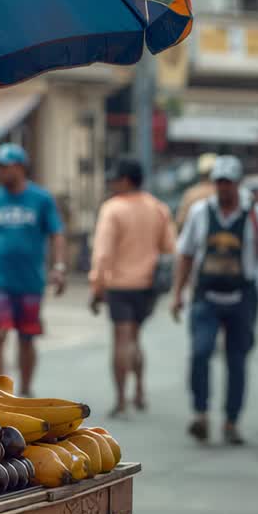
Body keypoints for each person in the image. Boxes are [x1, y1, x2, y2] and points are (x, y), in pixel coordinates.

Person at [172, 155, 258, 445]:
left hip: (242, 297)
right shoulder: (200, 212)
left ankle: (231, 421)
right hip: (206, 296)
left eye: (228, 183)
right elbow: (185, 254)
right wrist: (177, 293)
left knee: (237, 360)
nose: (223, 189)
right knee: (200, 352)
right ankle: (200, 413)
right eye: (219, 183)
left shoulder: (256, 215)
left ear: (238, 184)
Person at [0, 143, 66, 398]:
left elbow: (56, 235)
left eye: (4, 166)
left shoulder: (41, 199)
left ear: (19, 167)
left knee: (27, 337)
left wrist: (59, 267)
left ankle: (26, 389)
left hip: (31, 281)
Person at [88, 158, 176, 416]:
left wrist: (97, 286)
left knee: (121, 340)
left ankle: (121, 399)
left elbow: (102, 253)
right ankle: (139, 390)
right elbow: (170, 248)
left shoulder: (112, 209)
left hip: (119, 285)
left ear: (125, 180)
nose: (112, 183)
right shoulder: (158, 208)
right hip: (148, 285)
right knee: (135, 339)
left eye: (115, 179)